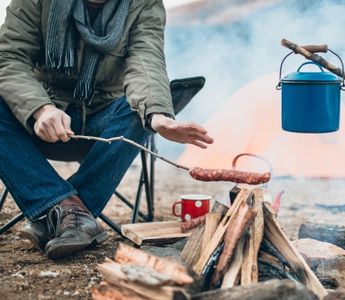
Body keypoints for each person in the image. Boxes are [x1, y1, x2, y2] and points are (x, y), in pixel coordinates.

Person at [0, 0, 213, 259]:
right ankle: (69, 212)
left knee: (139, 110)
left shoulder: (144, 4)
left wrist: (158, 115)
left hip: (104, 117)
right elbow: (9, 57)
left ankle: (56, 214)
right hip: (44, 117)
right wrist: (40, 108)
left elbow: (146, 60)